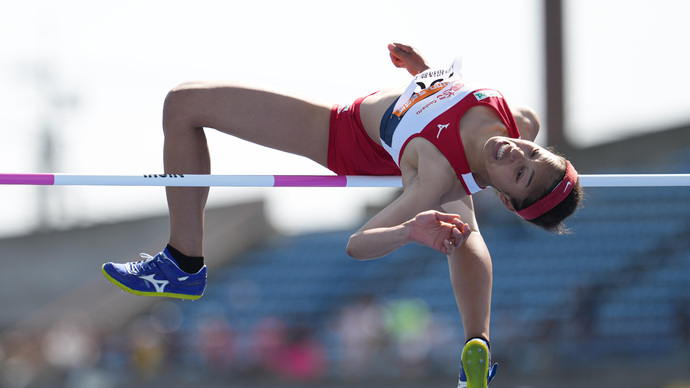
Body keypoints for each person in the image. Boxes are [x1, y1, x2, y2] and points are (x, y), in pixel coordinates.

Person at [101, 43, 582, 387]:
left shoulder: (434, 175)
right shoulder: (519, 120)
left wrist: (409, 230)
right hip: (411, 137)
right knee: (461, 209)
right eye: (533, 158)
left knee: (184, 102)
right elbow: (447, 112)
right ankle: (477, 344)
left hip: (340, 132)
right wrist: (425, 74)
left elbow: (358, 244)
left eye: (520, 175)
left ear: (506, 198)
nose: (516, 155)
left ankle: (182, 262)